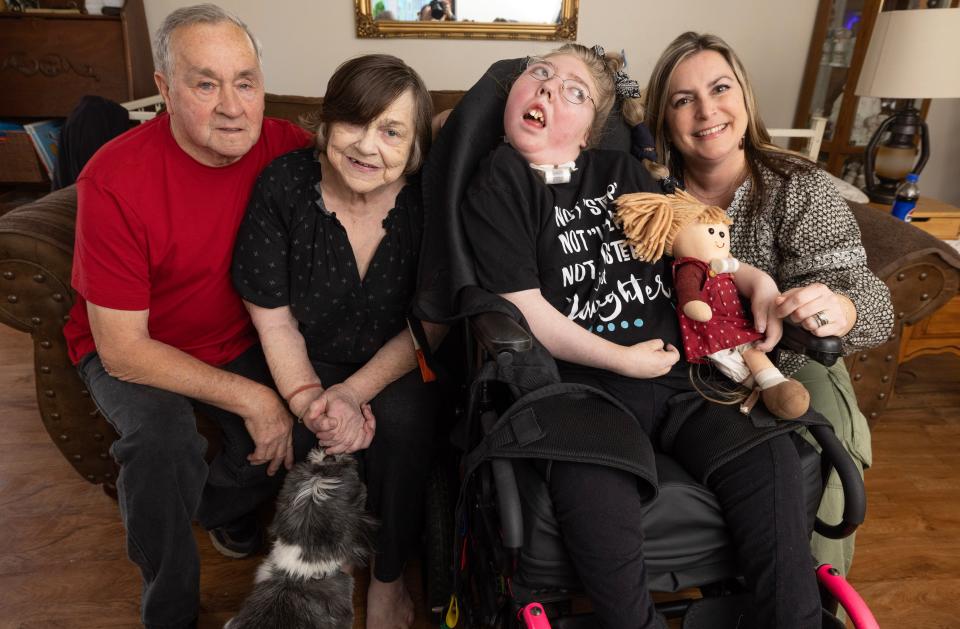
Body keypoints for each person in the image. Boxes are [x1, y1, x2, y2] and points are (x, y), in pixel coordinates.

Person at [461, 43, 822, 629]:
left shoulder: (624, 173)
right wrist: (620, 360)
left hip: (682, 378)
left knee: (770, 453)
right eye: (540, 76)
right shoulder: (499, 181)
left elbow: (693, 244)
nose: (551, 90)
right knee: (591, 480)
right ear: (515, 96)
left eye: (575, 91)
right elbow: (524, 308)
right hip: (581, 392)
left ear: (589, 131)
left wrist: (752, 278)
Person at [62, 5, 315, 628]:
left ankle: (218, 508)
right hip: (136, 344)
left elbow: (385, 149)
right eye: (206, 84)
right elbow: (123, 349)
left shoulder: (286, 146)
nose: (233, 106)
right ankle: (169, 605)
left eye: (246, 81)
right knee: (162, 443)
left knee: (312, 422)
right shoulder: (116, 178)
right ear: (164, 89)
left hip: (236, 335)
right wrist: (255, 399)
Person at [641, 31, 894, 577]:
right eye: (684, 100)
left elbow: (870, 297)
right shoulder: (646, 195)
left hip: (790, 361)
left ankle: (818, 595)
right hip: (678, 373)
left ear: (746, 98)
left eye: (720, 88)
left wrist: (838, 308)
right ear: (663, 118)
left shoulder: (797, 186)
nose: (707, 111)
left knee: (833, 447)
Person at [230, 54, 443, 629]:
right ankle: (319, 584)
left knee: (406, 426)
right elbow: (274, 320)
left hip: (400, 356)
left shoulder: (428, 200)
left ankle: (389, 578)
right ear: (326, 125)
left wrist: (354, 391)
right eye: (355, 122)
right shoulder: (284, 185)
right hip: (307, 351)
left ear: (415, 146)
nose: (368, 146)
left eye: (391, 131)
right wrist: (309, 401)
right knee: (303, 433)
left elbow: (432, 322)